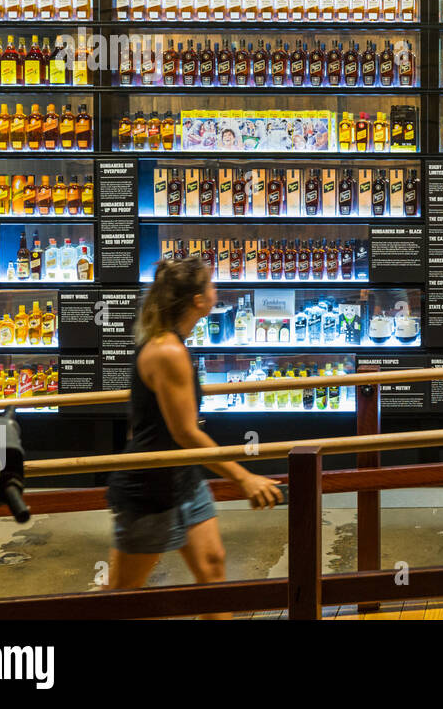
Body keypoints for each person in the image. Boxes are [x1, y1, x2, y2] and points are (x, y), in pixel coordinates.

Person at [105, 257, 282, 618]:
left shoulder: (170, 342)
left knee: (213, 567)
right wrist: (244, 477)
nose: (216, 291)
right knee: (120, 596)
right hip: (150, 485)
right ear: (198, 301)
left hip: (183, 477)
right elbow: (186, 433)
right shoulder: (168, 350)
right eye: (211, 285)